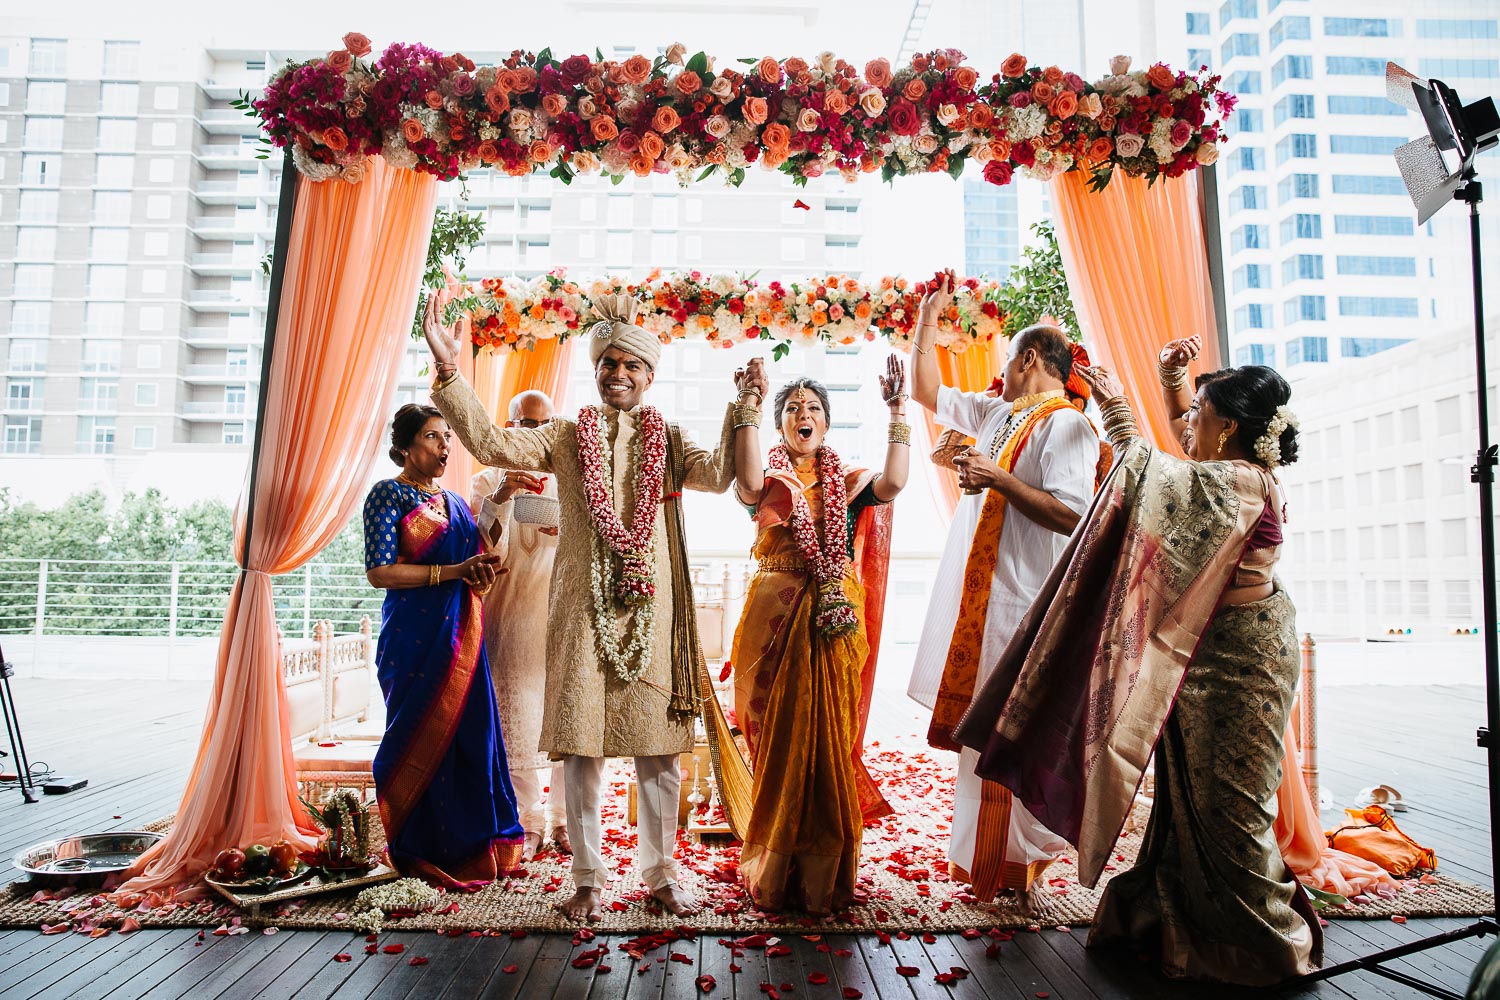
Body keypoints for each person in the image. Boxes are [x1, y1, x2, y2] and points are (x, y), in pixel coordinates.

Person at [953, 357, 1322, 985]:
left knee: (1230, 805)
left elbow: (1154, 482)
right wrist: (1175, 388)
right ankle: (1179, 926)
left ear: (1228, 427)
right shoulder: (1229, 468)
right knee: (1185, 803)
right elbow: (1179, 455)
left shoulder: (1241, 481)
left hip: (1241, 662)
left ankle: (1258, 945)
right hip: (1207, 653)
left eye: (1199, 416)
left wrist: (1119, 408)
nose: (1187, 426)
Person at [421, 293, 736, 921]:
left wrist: (745, 408)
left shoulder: (669, 441)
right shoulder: (565, 437)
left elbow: (724, 474)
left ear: (650, 376)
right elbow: (488, 443)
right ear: (595, 372)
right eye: (607, 363)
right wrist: (450, 372)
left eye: (631, 364)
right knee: (583, 750)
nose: (617, 372)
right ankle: (587, 879)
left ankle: (661, 874)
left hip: (653, 610)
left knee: (659, 751)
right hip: (583, 614)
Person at [905, 270, 1101, 902]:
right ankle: (982, 862)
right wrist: (927, 322)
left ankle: (1008, 866)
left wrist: (998, 479)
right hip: (981, 600)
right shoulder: (999, 413)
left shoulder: (1066, 426)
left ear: (1031, 360)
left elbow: (1074, 512)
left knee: (1004, 733)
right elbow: (927, 390)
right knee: (977, 732)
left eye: (1011, 359)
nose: (1004, 369)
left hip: (1021, 599)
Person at [726, 358, 909, 914]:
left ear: (827, 424)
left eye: (813, 409)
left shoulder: (848, 484)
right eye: (791, 409)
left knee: (828, 736)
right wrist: (750, 407)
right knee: (776, 737)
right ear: (780, 425)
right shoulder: (767, 481)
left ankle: (821, 873)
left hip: (832, 619)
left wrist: (899, 411)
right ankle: (774, 863)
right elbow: (751, 482)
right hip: (773, 617)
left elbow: (895, 481)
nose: (802, 415)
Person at [362, 403, 526, 888]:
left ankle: (474, 846)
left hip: (464, 636)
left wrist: (503, 501)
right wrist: (453, 573)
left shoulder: (455, 502)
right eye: (433, 437)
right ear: (405, 447)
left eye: (448, 437)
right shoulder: (387, 495)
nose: (444, 446)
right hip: (414, 637)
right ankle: (422, 845)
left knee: (470, 734)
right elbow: (380, 572)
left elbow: (481, 549)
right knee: (416, 733)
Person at [469, 389, 568, 862]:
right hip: (509, 618)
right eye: (523, 425)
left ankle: (565, 821)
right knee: (517, 725)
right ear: (506, 428)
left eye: (542, 426)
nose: (533, 435)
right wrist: (504, 496)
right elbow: (486, 552)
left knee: (570, 722)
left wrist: (566, 532)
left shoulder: (571, 480)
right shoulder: (484, 481)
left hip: (562, 617)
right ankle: (526, 822)